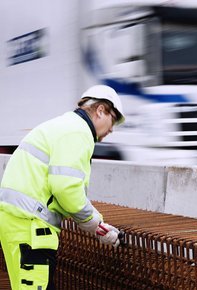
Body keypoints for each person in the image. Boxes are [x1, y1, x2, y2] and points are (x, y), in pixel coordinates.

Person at [0, 85, 125, 289]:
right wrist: (95, 224)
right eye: (114, 119)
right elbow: (66, 188)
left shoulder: (64, 125)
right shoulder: (79, 132)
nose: (112, 129)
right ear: (101, 110)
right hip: (32, 228)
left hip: (16, 222)